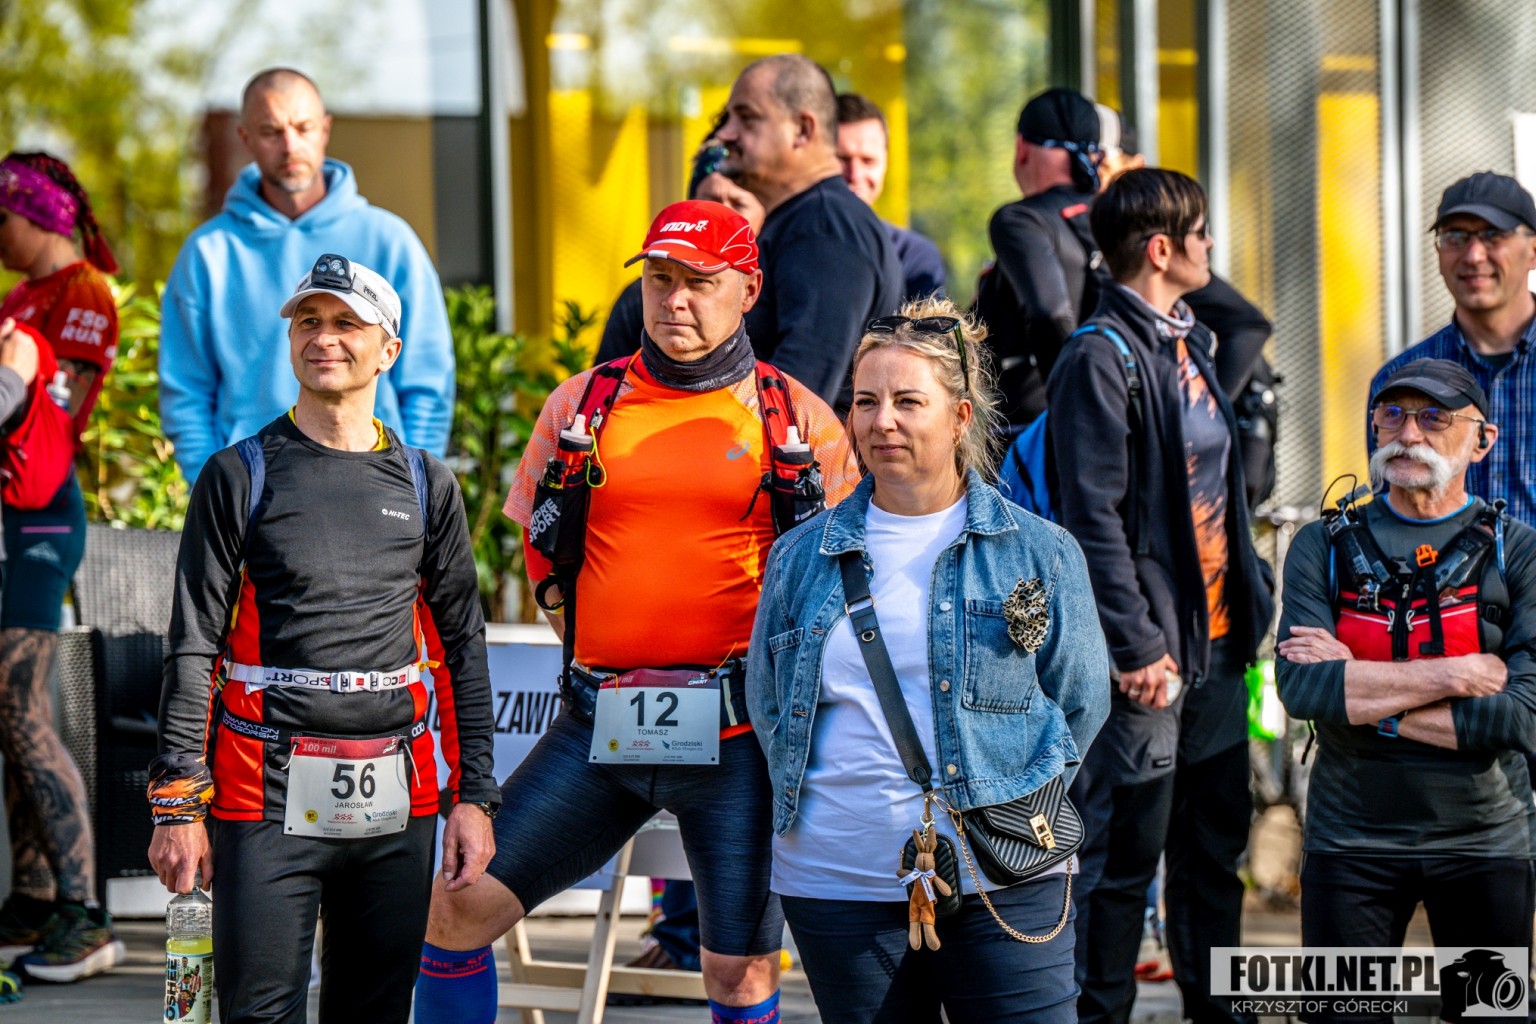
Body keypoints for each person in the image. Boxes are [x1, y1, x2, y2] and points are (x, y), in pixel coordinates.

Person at [413, 199, 858, 1024]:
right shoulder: (582, 404)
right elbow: (542, 554)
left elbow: (843, 582)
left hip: (741, 739)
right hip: (599, 725)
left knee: (739, 975)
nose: (674, 299)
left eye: (699, 282)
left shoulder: (797, 416)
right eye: (659, 279)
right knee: (456, 909)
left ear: (749, 290)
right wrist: (605, 646)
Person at [147, 254, 498, 1024]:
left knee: (374, 1012)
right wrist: (177, 806)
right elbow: (194, 645)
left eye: (346, 323)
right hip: (262, 793)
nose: (323, 337)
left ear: (389, 350)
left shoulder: (426, 484)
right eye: (308, 320)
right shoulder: (239, 475)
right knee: (258, 1014)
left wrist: (474, 796)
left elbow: (461, 648)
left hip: (398, 797)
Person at [744, 297, 1108, 1023]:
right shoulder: (798, 558)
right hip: (837, 882)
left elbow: (1081, 701)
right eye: (866, 401)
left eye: (909, 402)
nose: (882, 421)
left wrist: (1009, 798)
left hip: (1007, 875)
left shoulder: (1040, 552)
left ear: (960, 417)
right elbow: (769, 703)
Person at [1047, 168, 1272, 1024]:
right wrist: (1135, 645)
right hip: (1150, 663)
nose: (1213, 247)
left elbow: (1248, 322)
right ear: (1162, 249)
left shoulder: (1191, 342)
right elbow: (1090, 519)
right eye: (1201, 233)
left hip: (1216, 649)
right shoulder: (1097, 358)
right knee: (1122, 864)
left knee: (1213, 856)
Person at [1278, 359, 1536, 1024]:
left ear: (1483, 440)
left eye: (1434, 417)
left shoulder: (1518, 552)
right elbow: (1303, 688)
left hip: (1483, 843)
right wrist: (1458, 674)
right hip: (1349, 845)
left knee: (1486, 1018)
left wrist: (1365, 698)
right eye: (1392, 414)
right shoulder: (1321, 545)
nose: (1409, 433)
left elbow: (1522, 715)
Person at [159, 67, 455, 485]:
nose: (289, 145)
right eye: (271, 131)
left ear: (325, 129)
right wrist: (217, 488)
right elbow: (186, 392)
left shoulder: (390, 240)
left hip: (376, 486)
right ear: (245, 138)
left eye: (303, 127)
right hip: (253, 491)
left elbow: (427, 380)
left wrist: (414, 484)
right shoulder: (208, 253)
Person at [0, 151, 124, 984]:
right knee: (8, 710)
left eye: (1, 219)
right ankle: (35, 898)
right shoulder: (20, 297)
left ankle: (85, 911)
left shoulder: (83, 293)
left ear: (39, 215)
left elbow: (56, 417)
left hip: (41, 513)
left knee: (20, 705)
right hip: (10, 514)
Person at [717, 54, 903, 412]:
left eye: (747, 118)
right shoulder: (810, 220)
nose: (727, 134)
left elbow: (796, 398)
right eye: (729, 118)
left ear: (803, 130)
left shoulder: (823, 228)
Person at [1369, 172, 1536, 525]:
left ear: (1533, 250)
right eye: (1456, 237)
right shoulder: (1398, 380)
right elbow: (1392, 518)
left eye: (1493, 236)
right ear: (1438, 251)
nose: (1473, 255)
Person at [976, 87, 1105, 430]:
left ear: (1021, 147)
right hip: (1118, 421)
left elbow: (1050, 312)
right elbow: (1237, 319)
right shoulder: (1120, 216)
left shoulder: (1021, 221)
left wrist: (1073, 410)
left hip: (1033, 430)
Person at [595, 120, 767, 367]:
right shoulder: (639, 298)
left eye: (738, 205)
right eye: (711, 201)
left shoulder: (784, 290)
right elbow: (606, 379)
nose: (674, 300)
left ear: (750, 291)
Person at [835, 93, 946, 301]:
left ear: (885, 162)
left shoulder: (913, 256)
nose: (855, 175)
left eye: (868, 161)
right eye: (842, 159)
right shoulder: (781, 244)